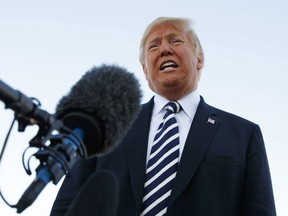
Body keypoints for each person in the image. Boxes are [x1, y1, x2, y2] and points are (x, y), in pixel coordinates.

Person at [50, 17, 276, 216]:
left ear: (199, 59)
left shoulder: (244, 134)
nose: (164, 50)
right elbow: (67, 206)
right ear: (145, 70)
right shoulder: (108, 125)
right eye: (153, 46)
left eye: (176, 41)